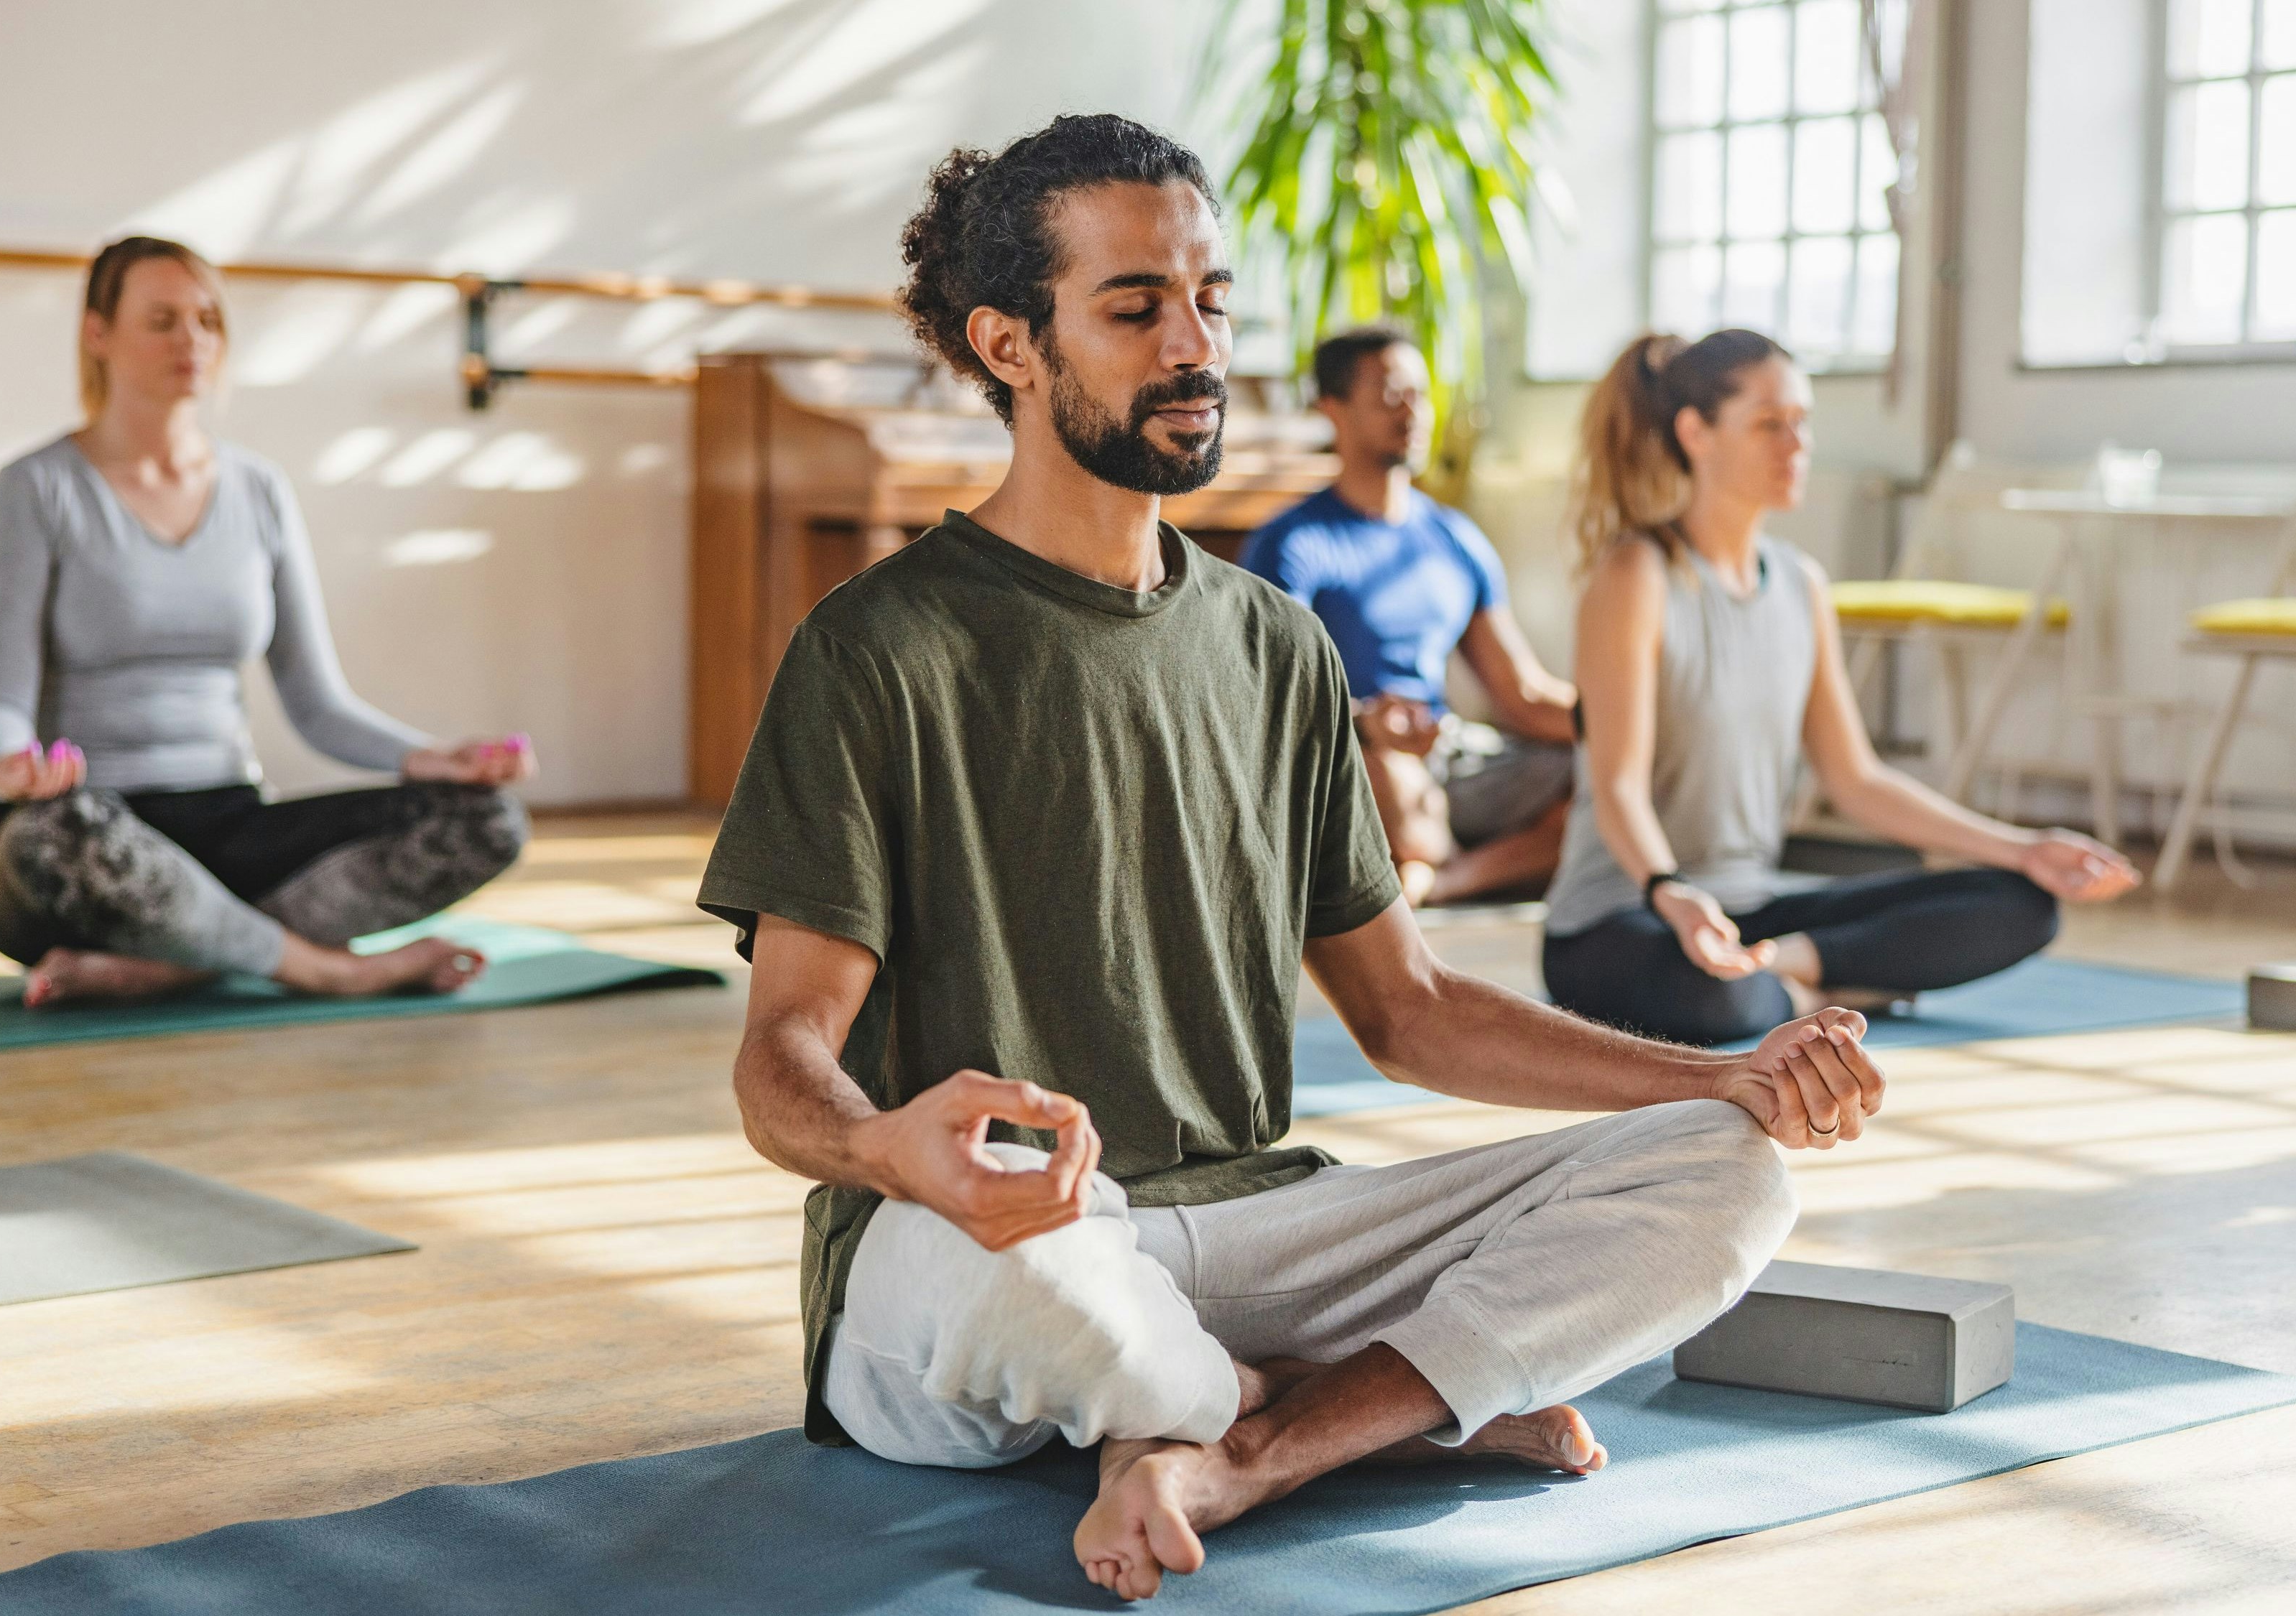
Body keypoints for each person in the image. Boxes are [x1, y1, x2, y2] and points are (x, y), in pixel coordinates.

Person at [700, 116, 1886, 1603]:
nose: (1194, 344)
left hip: (1253, 1217)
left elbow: (1410, 1014)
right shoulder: (875, 649)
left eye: (1210, 301)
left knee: (1729, 1177)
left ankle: (1237, 1443)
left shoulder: (1274, 645)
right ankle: (1364, 1401)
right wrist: (885, 1148)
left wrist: (1717, 1078)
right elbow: (779, 1057)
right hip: (989, 1240)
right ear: (1009, 344)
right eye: (1135, 310)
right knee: (1069, 1299)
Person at [0, 236, 536, 1007]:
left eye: (207, 319)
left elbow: (317, 705)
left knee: (487, 820)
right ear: (97, 334)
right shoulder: (36, 490)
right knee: (47, 834)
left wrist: (433, 759)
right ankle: (329, 969)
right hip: (88, 838)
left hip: (229, 827)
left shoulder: (259, 490)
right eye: (162, 319)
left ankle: (181, 962)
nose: (192, 340)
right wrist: (11, 762)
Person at [1540, 330, 2141, 1046]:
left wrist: (2019, 847)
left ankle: (1793, 974)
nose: (1795, 446)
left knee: (2021, 904)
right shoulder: (1635, 576)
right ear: (1695, 432)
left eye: (1802, 423)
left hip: (1750, 911)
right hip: (1626, 916)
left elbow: (1854, 780)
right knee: (1705, 996)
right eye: (1769, 425)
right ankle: (1823, 985)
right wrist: (1671, 891)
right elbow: (1618, 789)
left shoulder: (1800, 585)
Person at [1240, 328, 1578, 906]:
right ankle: (1419, 863)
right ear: (1334, 410)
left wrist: (1628, 726)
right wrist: (1367, 721)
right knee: (1390, 772)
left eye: (1420, 393)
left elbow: (1520, 692)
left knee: (1604, 779)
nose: (1414, 410)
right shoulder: (1292, 542)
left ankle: (1441, 880)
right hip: (1358, 749)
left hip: (1449, 752)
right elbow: (1275, 687)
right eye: (1391, 394)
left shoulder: (1456, 539)